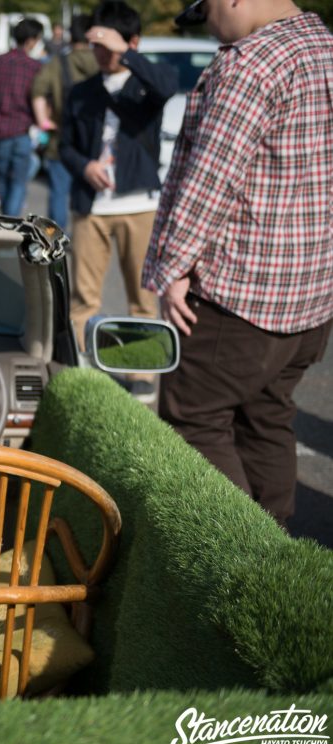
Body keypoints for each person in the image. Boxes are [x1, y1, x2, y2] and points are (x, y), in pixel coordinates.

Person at [143, 0, 333, 529]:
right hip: (311, 295)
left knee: (194, 422)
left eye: (206, 15)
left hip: (239, 294)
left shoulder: (249, 63)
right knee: (268, 419)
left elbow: (210, 182)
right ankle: (279, 562)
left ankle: (234, 564)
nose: (210, 29)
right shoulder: (322, 45)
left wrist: (173, 269)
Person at [59, 0, 176, 400]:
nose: (101, 54)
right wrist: (84, 166)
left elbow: (167, 84)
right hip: (91, 205)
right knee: (83, 297)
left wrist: (124, 52)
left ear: (132, 42)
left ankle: (141, 375)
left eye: (107, 45)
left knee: (142, 298)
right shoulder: (80, 92)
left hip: (138, 205)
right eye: (95, 45)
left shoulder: (146, 86)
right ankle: (84, 373)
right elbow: (64, 147)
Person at [30, 14, 99, 229]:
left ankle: (55, 238)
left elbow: (38, 91)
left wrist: (44, 121)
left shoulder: (57, 64)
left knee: (59, 194)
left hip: (61, 138)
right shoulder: (103, 61)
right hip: (95, 142)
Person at [0, 17, 43, 217]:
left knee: (3, 180)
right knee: (18, 182)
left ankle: (5, 220)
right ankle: (11, 223)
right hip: (22, 131)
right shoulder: (34, 67)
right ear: (32, 40)